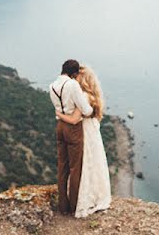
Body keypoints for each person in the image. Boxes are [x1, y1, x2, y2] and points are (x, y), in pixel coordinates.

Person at [54, 65, 112, 218]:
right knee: (93, 164)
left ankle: (78, 200)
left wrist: (59, 114)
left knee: (83, 166)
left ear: (82, 79)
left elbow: (73, 119)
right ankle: (93, 194)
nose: (74, 79)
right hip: (93, 132)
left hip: (84, 132)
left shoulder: (84, 96)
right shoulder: (93, 96)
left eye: (77, 76)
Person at [49, 59, 94, 215]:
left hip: (60, 126)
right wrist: (90, 110)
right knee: (75, 168)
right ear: (74, 73)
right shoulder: (72, 85)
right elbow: (86, 109)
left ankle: (63, 206)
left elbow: (58, 109)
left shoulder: (52, 85)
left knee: (62, 167)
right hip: (73, 128)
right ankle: (74, 206)